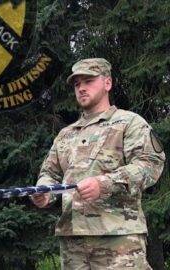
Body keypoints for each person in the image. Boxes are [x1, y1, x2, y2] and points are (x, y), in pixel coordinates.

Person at [31, 58, 165, 269]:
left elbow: (150, 165)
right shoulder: (66, 134)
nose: (82, 88)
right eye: (77, 84)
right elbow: (50, 173)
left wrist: (105, 183)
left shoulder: (129, 123)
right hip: (72, 242)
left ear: (107, 83)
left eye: (89, 81)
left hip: (118, 238)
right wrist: (45, 193)